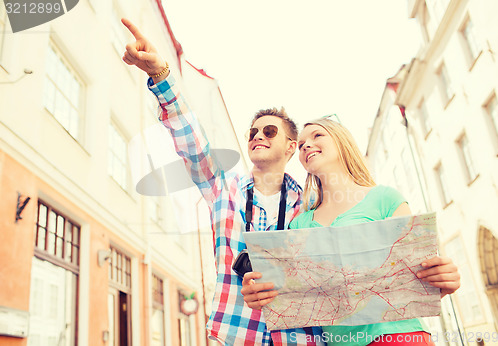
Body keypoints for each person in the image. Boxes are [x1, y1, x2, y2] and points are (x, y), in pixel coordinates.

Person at [121, 18, 324, 345]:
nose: (258, 135)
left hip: (298, 338)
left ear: (291, 146)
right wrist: (160, 74)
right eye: (253, 132)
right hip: (234, 334)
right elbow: (192, 142)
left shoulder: (312, 204)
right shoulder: (222, 187)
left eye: (270, 131)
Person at [241, 117, 461, 346]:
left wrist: (443, 280)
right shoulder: (300, 224)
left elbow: (419, 279)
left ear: (342, 142)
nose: (306, 144)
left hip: (399, 337)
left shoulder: (385, 198)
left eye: (317, 135)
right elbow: (293, 296)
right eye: (302, 142)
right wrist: (260, 294)